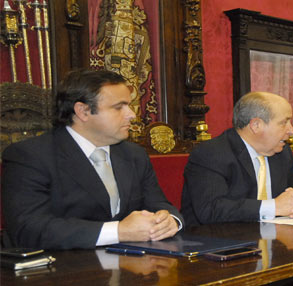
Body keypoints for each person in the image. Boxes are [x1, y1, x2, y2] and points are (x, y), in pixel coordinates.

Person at [1, 69, 184, 250]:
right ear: (83, 111)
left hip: (132, 268)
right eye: (119, 107)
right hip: (61, 271)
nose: (131, 115)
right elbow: (29, 229)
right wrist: (118, 231)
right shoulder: (30, 156)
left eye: (129, 105)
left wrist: (169, 221)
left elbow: (159, 204)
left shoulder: (134, 155)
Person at [181, 91, 293, 225]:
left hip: (274, 237)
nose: (291, 131)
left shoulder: (282, 153)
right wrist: (274, 207)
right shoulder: (212, 153)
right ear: (256, 125)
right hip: (219, 240)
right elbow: (211, 209)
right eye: (284, 122)